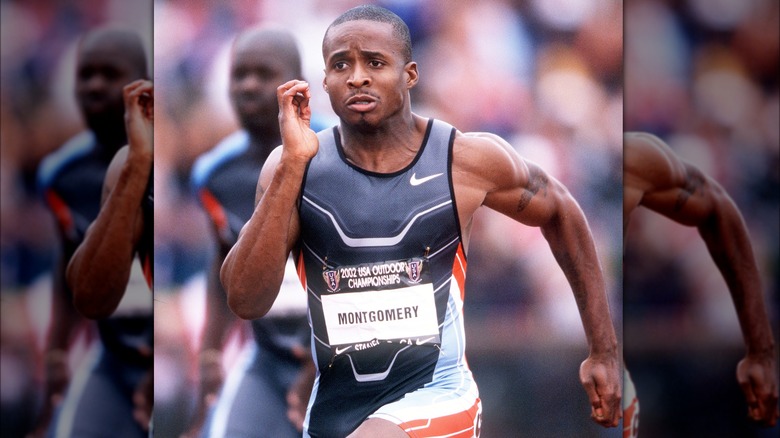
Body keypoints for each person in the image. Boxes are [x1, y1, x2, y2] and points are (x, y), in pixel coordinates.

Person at [221, 5, 621, 437]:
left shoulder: (463, 161)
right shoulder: (293, 169)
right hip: (334, 414)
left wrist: (603, 349)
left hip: (439, 397)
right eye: (341, 65)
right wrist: (291, 168)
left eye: (374, 62)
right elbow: (245, 300)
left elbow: (562, 211)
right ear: (324, 83)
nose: (357, 76)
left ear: (409, 75)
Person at [187, 26, 322, 437]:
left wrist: (323, 365)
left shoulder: (339, 153)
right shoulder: (213, 173)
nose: (248, 86)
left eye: (264, 74)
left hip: (348, 359)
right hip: (268, 356)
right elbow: (223, 262)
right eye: (239, 74)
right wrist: (210, 354)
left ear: (297, 81)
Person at [35, 28, 153, 437]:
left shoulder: (162, 164)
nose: (96, 85)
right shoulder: (60, 175)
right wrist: (56, 353)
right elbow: (67, 263)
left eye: (110, 73)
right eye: (86, 75)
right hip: (114, 357)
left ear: (143, 81)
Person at [622, 131, 779, 437]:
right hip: (654, 365)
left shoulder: (717, 234)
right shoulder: (651, 242)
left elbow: (718, 210)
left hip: (710, 370)